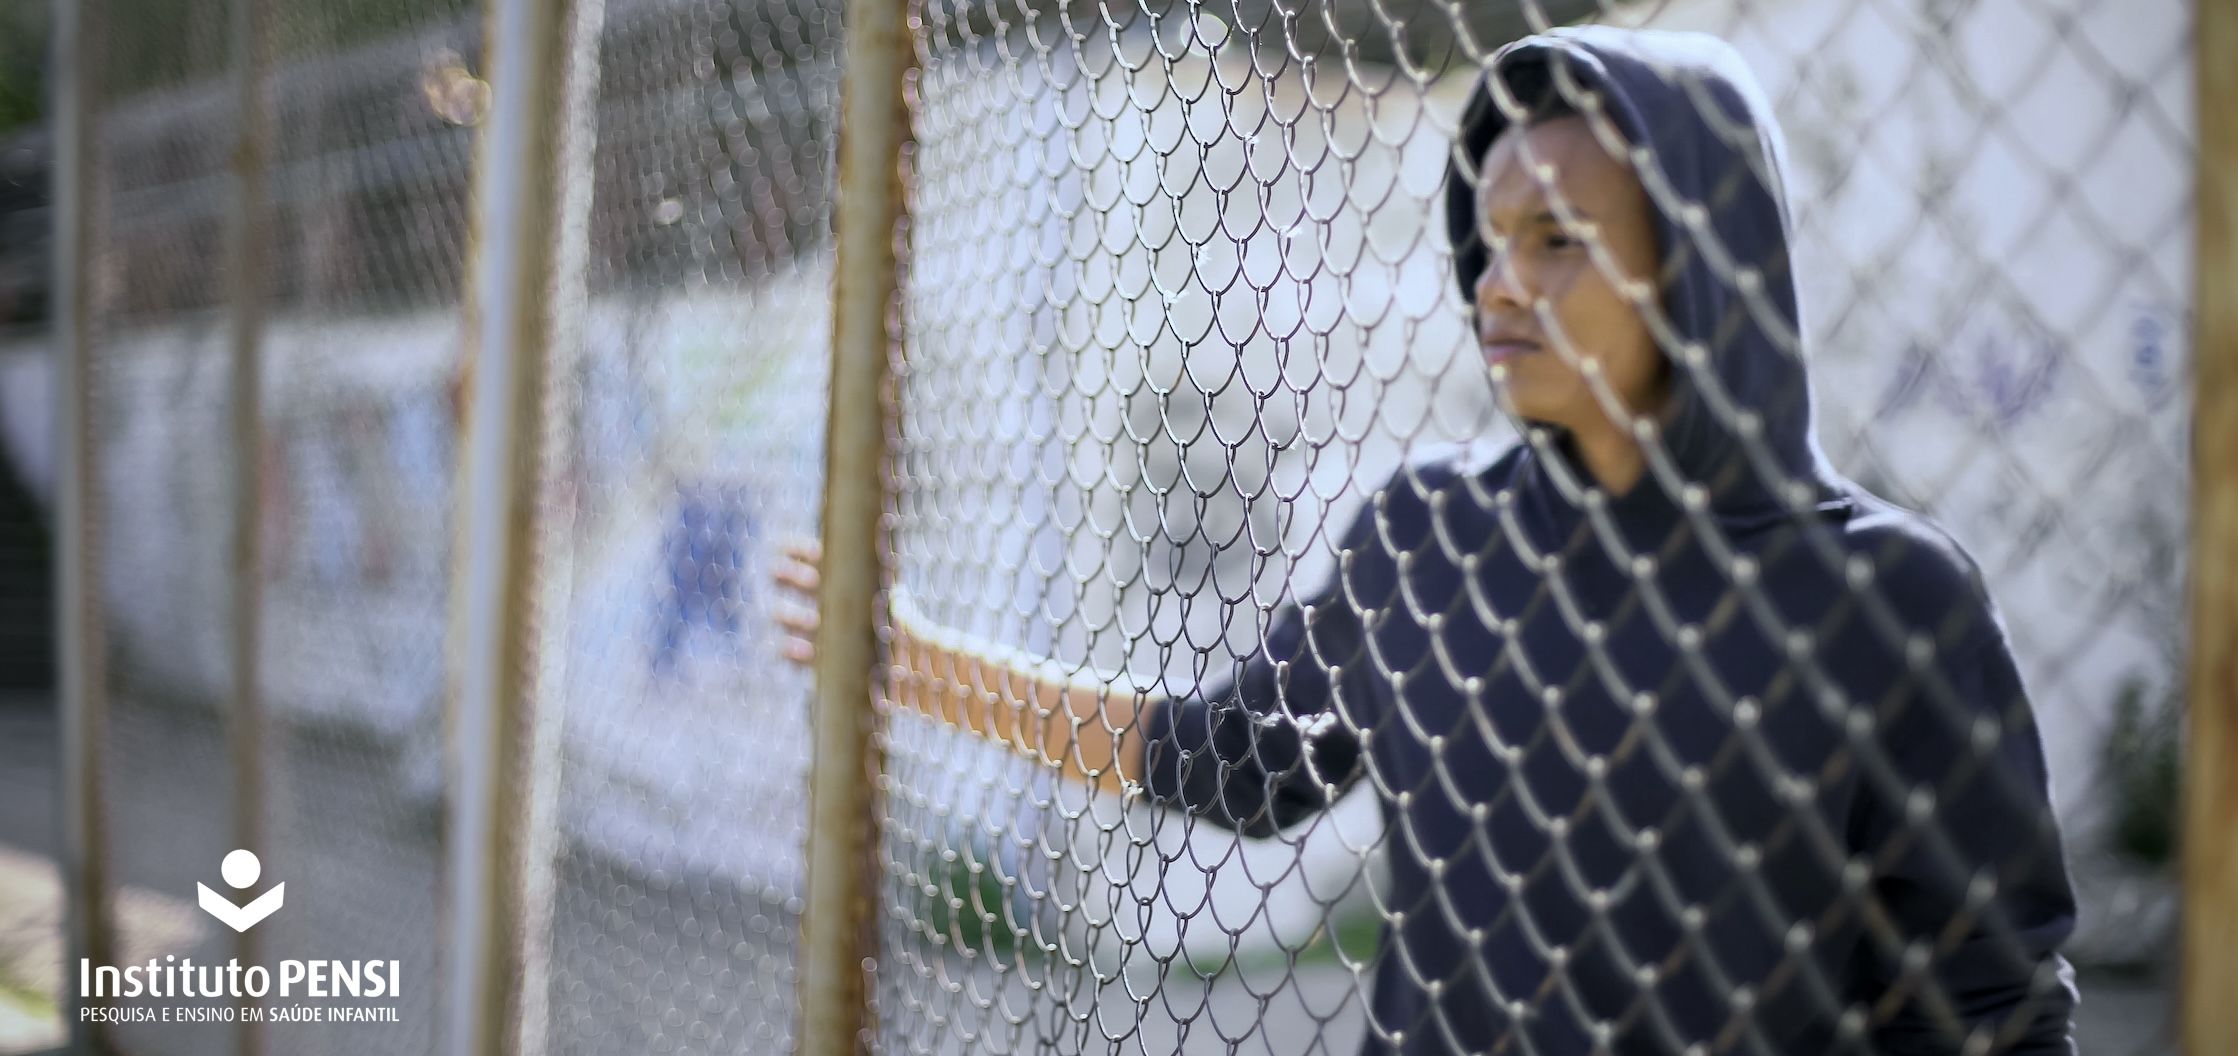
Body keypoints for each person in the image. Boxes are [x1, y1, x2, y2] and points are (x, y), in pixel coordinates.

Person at [778, 25, 2079, 1055]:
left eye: (1558, 241)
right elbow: (1226, 761)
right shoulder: (1429, 538)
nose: (1499, 283)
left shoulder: (1890, 600)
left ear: (1700, 259)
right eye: (1491, 238)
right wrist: (908, 661)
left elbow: (1992, 1012)